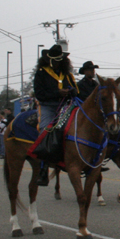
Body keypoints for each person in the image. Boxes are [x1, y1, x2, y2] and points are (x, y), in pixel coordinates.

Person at [33, 44, 78, 186]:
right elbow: (39, 94)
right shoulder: (41, 73)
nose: (56, 62)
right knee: (46, 129)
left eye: (59, 60)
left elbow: (77, 91)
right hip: (47, 106)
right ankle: (43, 169)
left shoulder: (67, 75)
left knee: (75, 128)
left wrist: (70, 91)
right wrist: (57, 93)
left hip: (65, 106)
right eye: (54, 60)